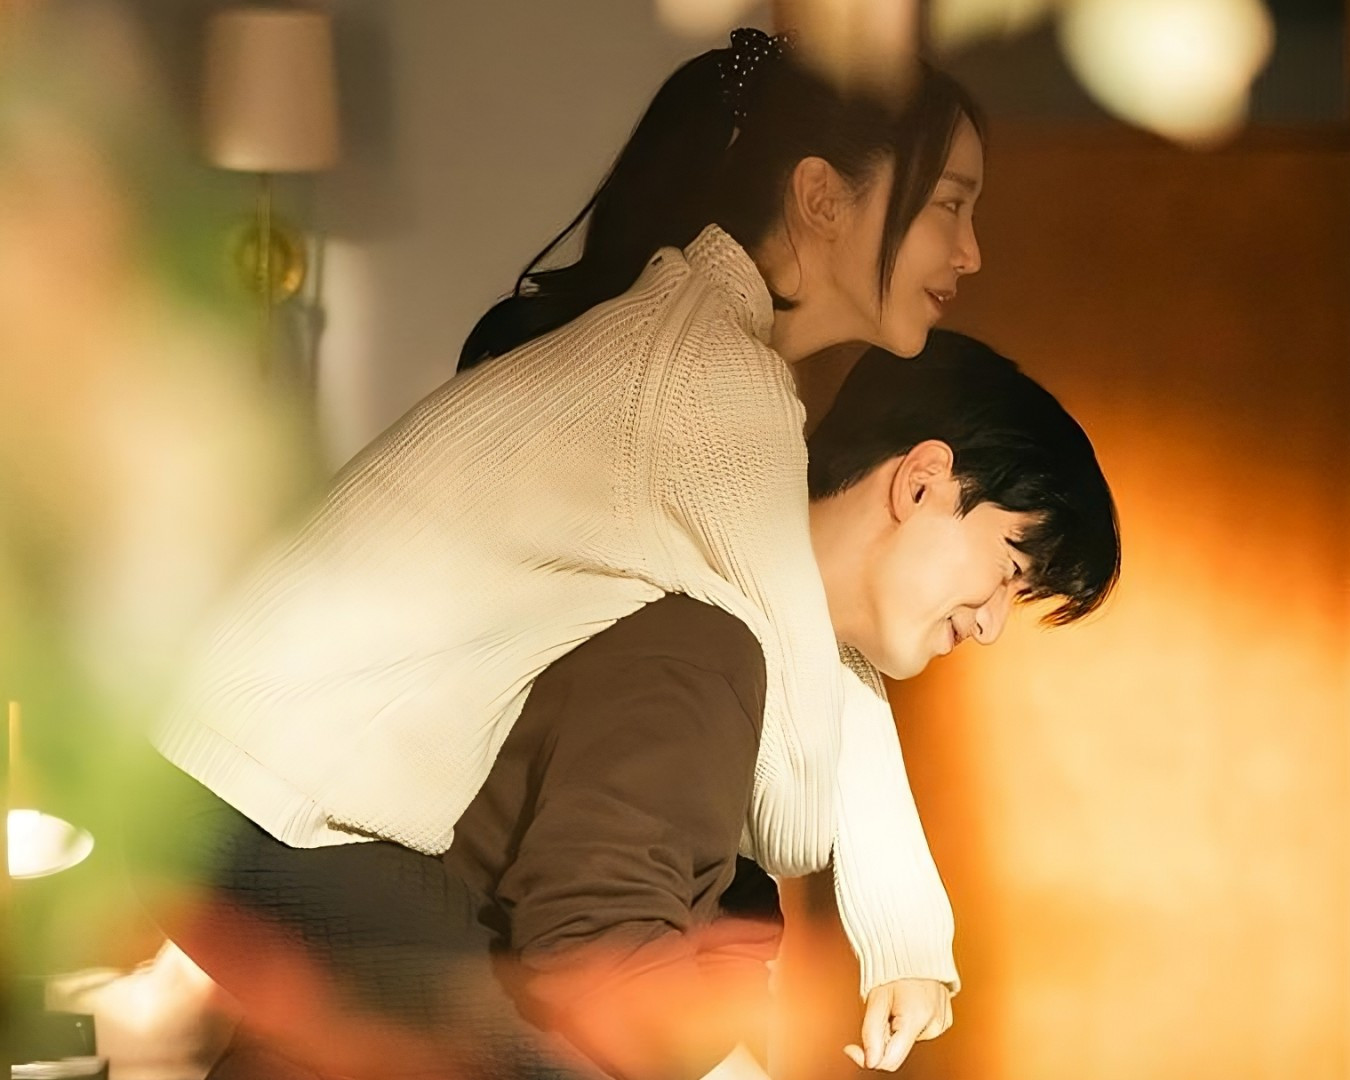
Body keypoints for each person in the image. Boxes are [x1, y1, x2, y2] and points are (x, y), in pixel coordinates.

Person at [140, 26, 991, 1078]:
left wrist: (906, 936)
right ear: (822, 197)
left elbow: (798, 652)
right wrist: (898, 934)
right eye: (949, 205)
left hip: (226, 783)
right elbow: (794, 813)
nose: (971, 252)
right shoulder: (712, 388)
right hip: (252, 804)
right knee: (564, 1037)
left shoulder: (688, 346)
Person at [138, 335, 1119, 1080]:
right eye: (1009, 570)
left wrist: (900, 946)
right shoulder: (702, 643)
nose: (991, 622)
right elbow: (591, 943)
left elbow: (721, 905)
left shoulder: (786, 674)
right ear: (923, 482)